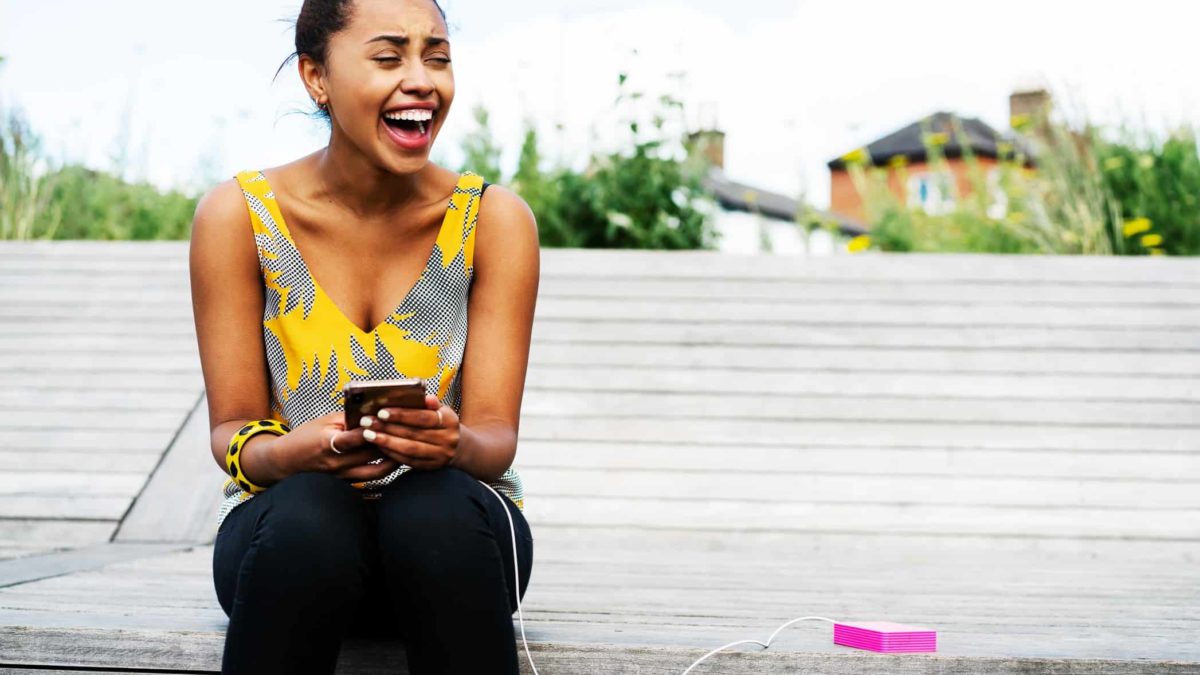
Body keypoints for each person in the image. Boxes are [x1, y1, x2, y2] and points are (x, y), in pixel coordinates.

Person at [188, 0, 540, 672]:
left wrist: (454, 441)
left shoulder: (495, 220)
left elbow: (495, 440)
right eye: (389, 56)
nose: (422, 80)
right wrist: (294, 453)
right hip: (288, 546)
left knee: (430, 509)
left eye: (437, 57)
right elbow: (231, 430)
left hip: (456, 542)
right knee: (309, 518)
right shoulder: (237, 216)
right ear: (315, 76)